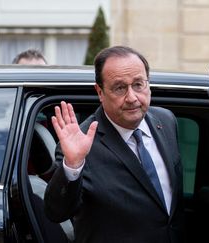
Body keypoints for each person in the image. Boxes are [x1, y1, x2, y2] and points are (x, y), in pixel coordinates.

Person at [44, 46, 184, 243]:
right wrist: (73, 165)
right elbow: (56, 212)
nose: (132, 97)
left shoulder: (166, 120)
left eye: (138, 84)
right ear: (100, 92)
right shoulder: (82, 144)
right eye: (119, 88)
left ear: (148, 84)